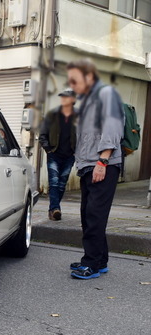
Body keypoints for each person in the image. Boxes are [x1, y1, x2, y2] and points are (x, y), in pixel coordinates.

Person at [66, 58, 123, 280]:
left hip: (101, 165)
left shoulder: (106, 95)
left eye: (75, 79)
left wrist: (103, 161)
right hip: (88, 165)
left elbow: (113, 127)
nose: (72, 84)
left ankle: (90, 263)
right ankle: (99, 260)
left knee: (93, 216)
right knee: (91, 215)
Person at [38, 88, 77, 221]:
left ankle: (53, 209)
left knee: (62, 184)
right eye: (62, 97)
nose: (64, 99)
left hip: (69, 155)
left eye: (67, 97)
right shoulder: (52, 114)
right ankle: (55, 209)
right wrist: (48, 149)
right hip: (54, 154)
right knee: (54, 183)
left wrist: (76, 151)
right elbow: (42, 134)